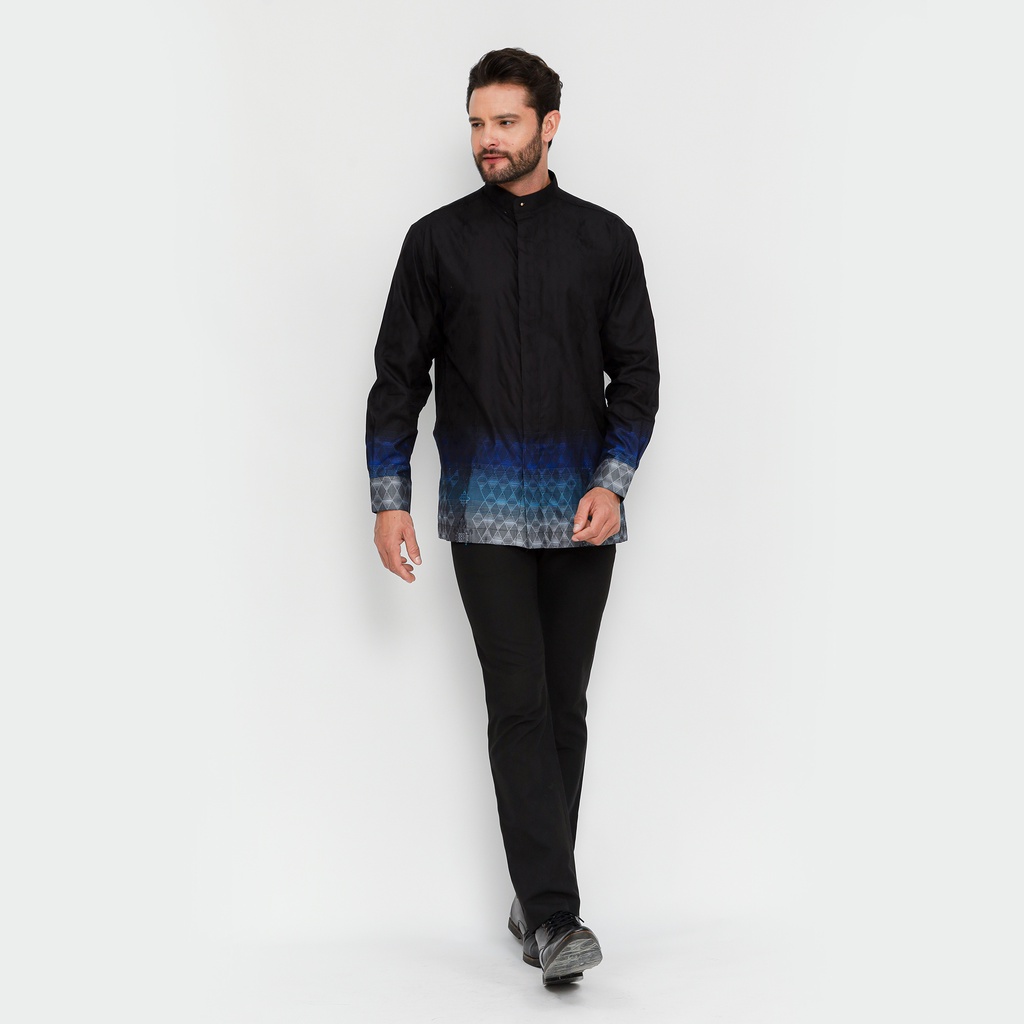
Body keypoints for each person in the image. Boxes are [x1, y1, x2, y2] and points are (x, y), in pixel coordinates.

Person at [365, 47, 659, 985]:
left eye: (504, 122)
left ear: (548, 125)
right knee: (519, 703)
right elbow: (397, 380)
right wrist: (390, 498)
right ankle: (558, 916)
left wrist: (612, 481)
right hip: (483, 510)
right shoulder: (436, 243)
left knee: (564, 708)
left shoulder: (605, 240)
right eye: (476, 124)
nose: (487, 140)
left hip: (583, 511)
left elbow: (637, 377)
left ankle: (534, 897)